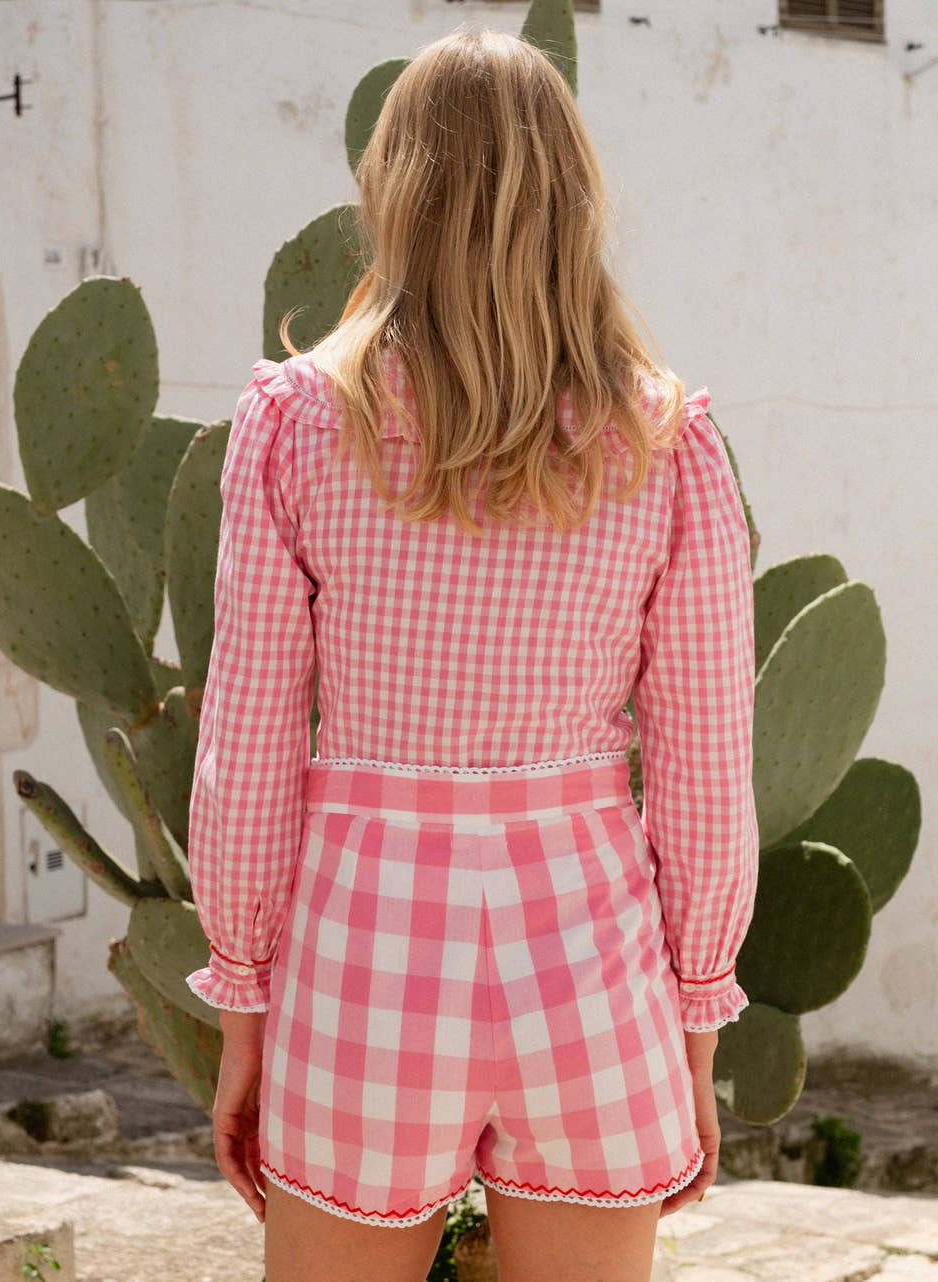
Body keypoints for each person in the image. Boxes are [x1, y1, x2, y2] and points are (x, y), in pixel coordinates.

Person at [185, 26, 758, 1282]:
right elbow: (708, 774)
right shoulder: (666, 442)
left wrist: (241, 1010)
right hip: (587, 962)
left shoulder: (293, 427)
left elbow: (246, 753)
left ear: (390, 187)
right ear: (575, 198)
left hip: (363, 958)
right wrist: (697, 1031)